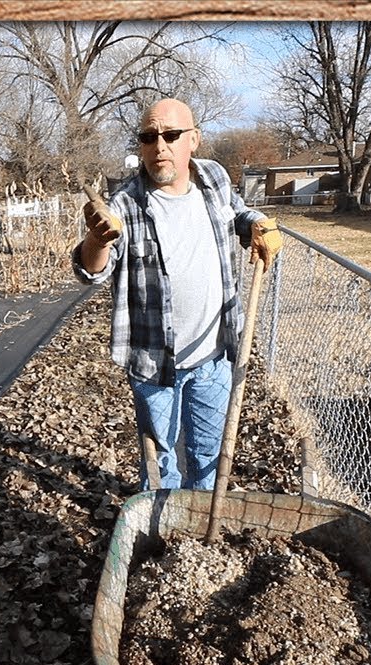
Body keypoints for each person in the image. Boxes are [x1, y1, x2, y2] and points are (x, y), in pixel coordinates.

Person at [71, 98, 282, 491]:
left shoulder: (214, 179)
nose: (159, 146)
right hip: (155, 364)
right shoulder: (125, 206)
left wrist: (257, 224)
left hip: (214, 355)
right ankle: (162, 531)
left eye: (170, 135)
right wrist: (96, 239)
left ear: (194, 140)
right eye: (149, 137)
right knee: (161, 461)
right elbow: (92, 271)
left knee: (208, 455)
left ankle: (199, 527)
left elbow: (236, 212)